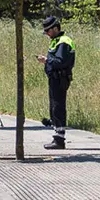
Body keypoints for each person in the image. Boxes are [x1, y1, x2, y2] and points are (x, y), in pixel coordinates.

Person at [37, 16, 75, 149]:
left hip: (60, 78)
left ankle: (60, 139)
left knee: (58, 107)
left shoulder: (64, 42)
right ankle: (56, 133)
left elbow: (60, 62)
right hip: (54, 78)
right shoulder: (56, 41)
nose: (47, 34)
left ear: (55, 28)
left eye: (48, 31)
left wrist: (46, 60)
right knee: (54, 107)